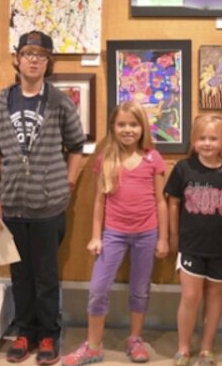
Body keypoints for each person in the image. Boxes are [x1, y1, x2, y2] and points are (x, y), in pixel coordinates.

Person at [0, 30, 85, 365]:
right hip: (11, 203)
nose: (33, 59)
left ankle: (48, 335)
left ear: (48, 62)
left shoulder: (58, 101)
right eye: (27, 53)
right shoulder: (3, 100)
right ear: (17, 58)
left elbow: (77, 147)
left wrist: (68, 183)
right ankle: (25, 331)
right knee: (20, 274)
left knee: (45, 275)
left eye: (40, 55)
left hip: (48, 206)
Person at [62, 100, 169, 366]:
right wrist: (96, 235)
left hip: (147, 234)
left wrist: (164, 238)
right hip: (113, 234)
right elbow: (99, 201)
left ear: (142, 127)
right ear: (113, 127)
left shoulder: (152, 158)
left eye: (133, 124)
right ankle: (94, 346)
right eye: (122, 124)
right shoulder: (106, 159)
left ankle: (135, 339)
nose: (127, 130)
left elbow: (160, 201)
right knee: (98, 288)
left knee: (140, 289)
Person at [165, 114, 222, 366]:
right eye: (202, 138)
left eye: (213, 138)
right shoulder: (183, 168)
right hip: (191, 245)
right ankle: (183, 347)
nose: (207, 143)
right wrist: (173, 235)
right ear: (194, 140)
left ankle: (206, 348)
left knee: (214, 295)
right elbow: (173, 203)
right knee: (190, 297)